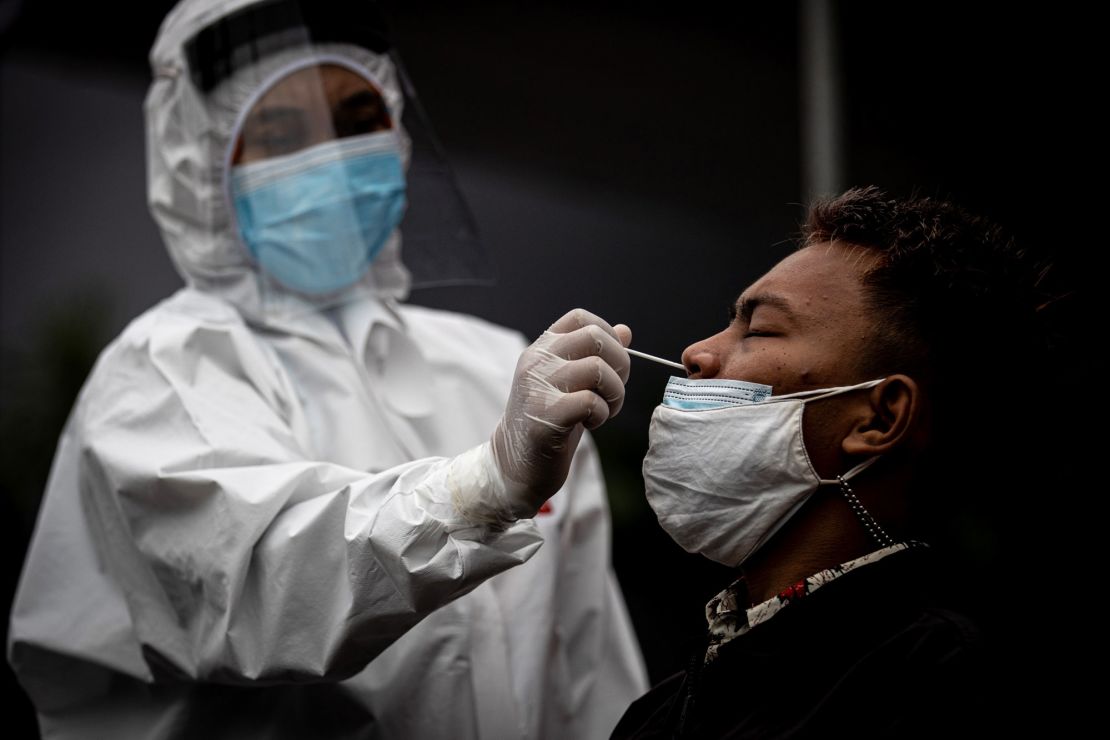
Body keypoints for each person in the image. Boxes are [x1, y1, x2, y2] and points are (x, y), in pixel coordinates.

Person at [7, 0, 647, 737]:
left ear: (398, 132)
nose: (334, 158)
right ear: (204, 163)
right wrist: (486, 488)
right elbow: (262, 585)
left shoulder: (501, 367)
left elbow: (589, 676)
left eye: (356, 116)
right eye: (282, 130)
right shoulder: (163, 372)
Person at [611, 186, 1062, 738]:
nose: (696, 353)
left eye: (758, 329)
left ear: (878, 418)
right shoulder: (658, 713)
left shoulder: (940, 683)